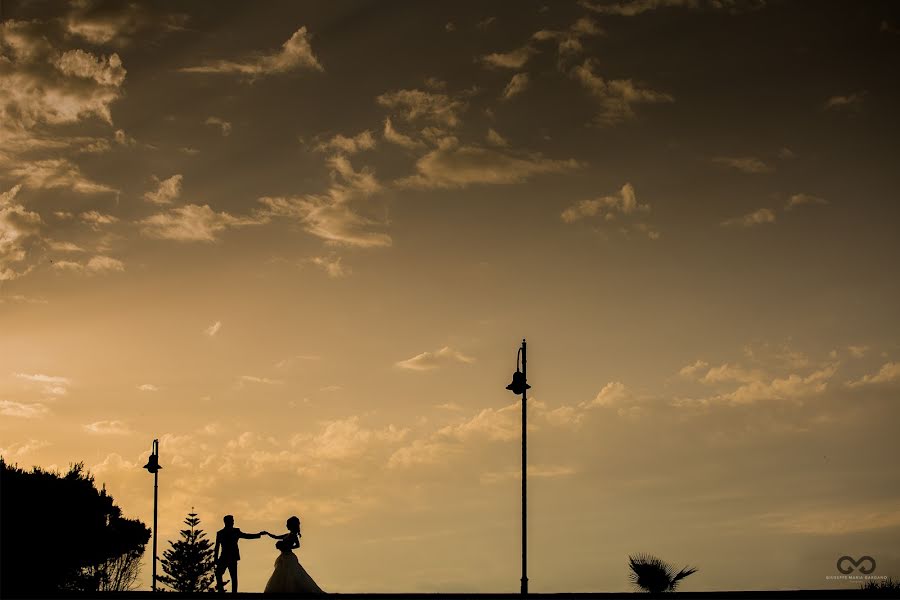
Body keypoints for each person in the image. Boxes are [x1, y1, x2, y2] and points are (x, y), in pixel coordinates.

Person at [263, 516, 324, 594]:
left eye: (287, 524)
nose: (286, 525)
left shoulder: (293, 535)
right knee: (281, 573)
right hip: (283, 556)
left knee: (290, 573)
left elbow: (298, 545)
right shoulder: (288, 534)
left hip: (289, 557)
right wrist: (268, 534)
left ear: (291, 525)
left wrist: (288, 546)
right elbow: (276, 537)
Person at [214, 515, 266, 593]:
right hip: (224, 556)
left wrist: (258, 534)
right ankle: (221, 591)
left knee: (233, 576)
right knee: (219, 573)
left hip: (232, 557)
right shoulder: (220, 533)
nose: (233, 522)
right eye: (231, 520)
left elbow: (246, 536)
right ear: (226, 522)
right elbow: (217, 547)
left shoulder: (235, 531)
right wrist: (215, 559)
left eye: (233, 520)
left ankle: (234, 592)